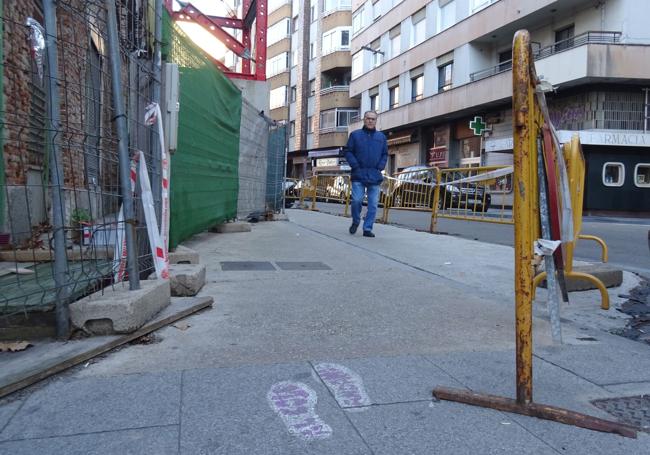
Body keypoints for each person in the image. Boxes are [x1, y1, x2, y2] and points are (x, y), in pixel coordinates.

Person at [344, 110, 387, 237]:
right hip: (359, 174)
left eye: (373, 119)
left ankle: (367, 228)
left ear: (376, 121)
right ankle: (356, 221)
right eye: (368, 118)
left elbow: (385, 154)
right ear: (364, 119)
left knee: (373, 204)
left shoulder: (381, 137)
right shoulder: (355, 135)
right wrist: (355, 166)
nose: (370, 121)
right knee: (357, 200)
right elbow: (348, 151)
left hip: (375, 174)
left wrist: (380, 167)